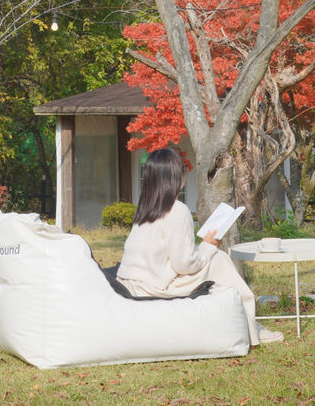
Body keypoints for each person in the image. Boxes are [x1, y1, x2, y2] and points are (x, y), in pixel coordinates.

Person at [117, 147, 283, 346]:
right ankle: (251, 328)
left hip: (131, 282)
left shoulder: (145, 209)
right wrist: (209, 245)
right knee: (219, 259)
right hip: (154, 286)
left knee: (213, 258)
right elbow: (184, 265)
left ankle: (246, 324)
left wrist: (203, 247)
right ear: (176, 177)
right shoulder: (177, 210)